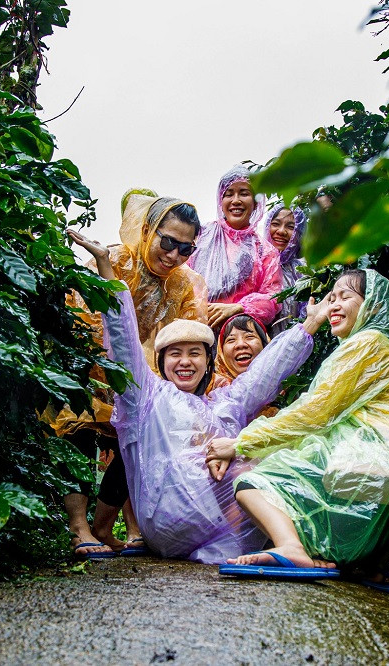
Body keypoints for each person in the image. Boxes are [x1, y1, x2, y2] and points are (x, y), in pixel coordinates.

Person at [67, 229, 330, 564]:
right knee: (256, 462)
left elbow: (266, 373)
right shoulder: (146, 396)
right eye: (175, 354)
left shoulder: (224, 401)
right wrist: (107, 271)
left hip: (220, 529)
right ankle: (297, 546)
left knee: (283, 450)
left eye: (195, 353)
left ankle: (304, 549)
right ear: (161, 362)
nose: (186, 361)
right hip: (168, 519)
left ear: (208, 361)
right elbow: (122, 339)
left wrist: (308, 326)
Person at [206, 269, 389, 573]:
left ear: (374, 306)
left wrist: (240, 444)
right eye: (332, 298)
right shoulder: (379, 347)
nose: (334, 306)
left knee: (250, 485)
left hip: (368, 462)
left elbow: (314, 413)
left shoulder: (367, 343)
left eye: (345, 297)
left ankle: (291, 548)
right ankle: (365, 562)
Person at [52, 191, 207, 559]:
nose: (174, 256)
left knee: (139, 441)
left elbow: (183, 333)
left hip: (142, 376)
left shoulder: (185, 283)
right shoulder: (115, 260)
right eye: (168, 242)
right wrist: (115, 369)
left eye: (185, 249)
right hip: (90, 366)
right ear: (148, 229)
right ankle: (79, 527)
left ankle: (106, 526)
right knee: (79, 432)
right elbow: (84, 316)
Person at [188, 166, 284, 330]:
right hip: (196, 331)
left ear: (255, 202)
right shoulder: (201, 235)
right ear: (221, 200)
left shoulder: (265, 251)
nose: (236, 200)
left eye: (244, 193)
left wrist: (239, 308)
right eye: (229, 193)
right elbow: (181, 278)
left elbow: (274, 299)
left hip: (237, 336)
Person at [263, 204, 308, 336]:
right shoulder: (254, 264)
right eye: (276, 224)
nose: (281, 231)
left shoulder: (303, 272)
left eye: (290, 227)